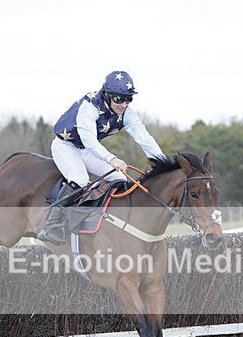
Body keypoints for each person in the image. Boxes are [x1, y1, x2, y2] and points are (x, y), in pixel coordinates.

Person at [37, 70, 165, 245]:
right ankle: (50, 225)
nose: (123, 104)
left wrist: (162, 164)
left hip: (86, 151)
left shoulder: (127, 113)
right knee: (80, 179)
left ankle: (104, 220)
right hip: (66, 146)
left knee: (120, 178)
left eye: (128, 99)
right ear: (107, 94)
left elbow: (144, 138)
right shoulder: (89, 106)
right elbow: (89, 141)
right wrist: (112, 159)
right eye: (119, 99)